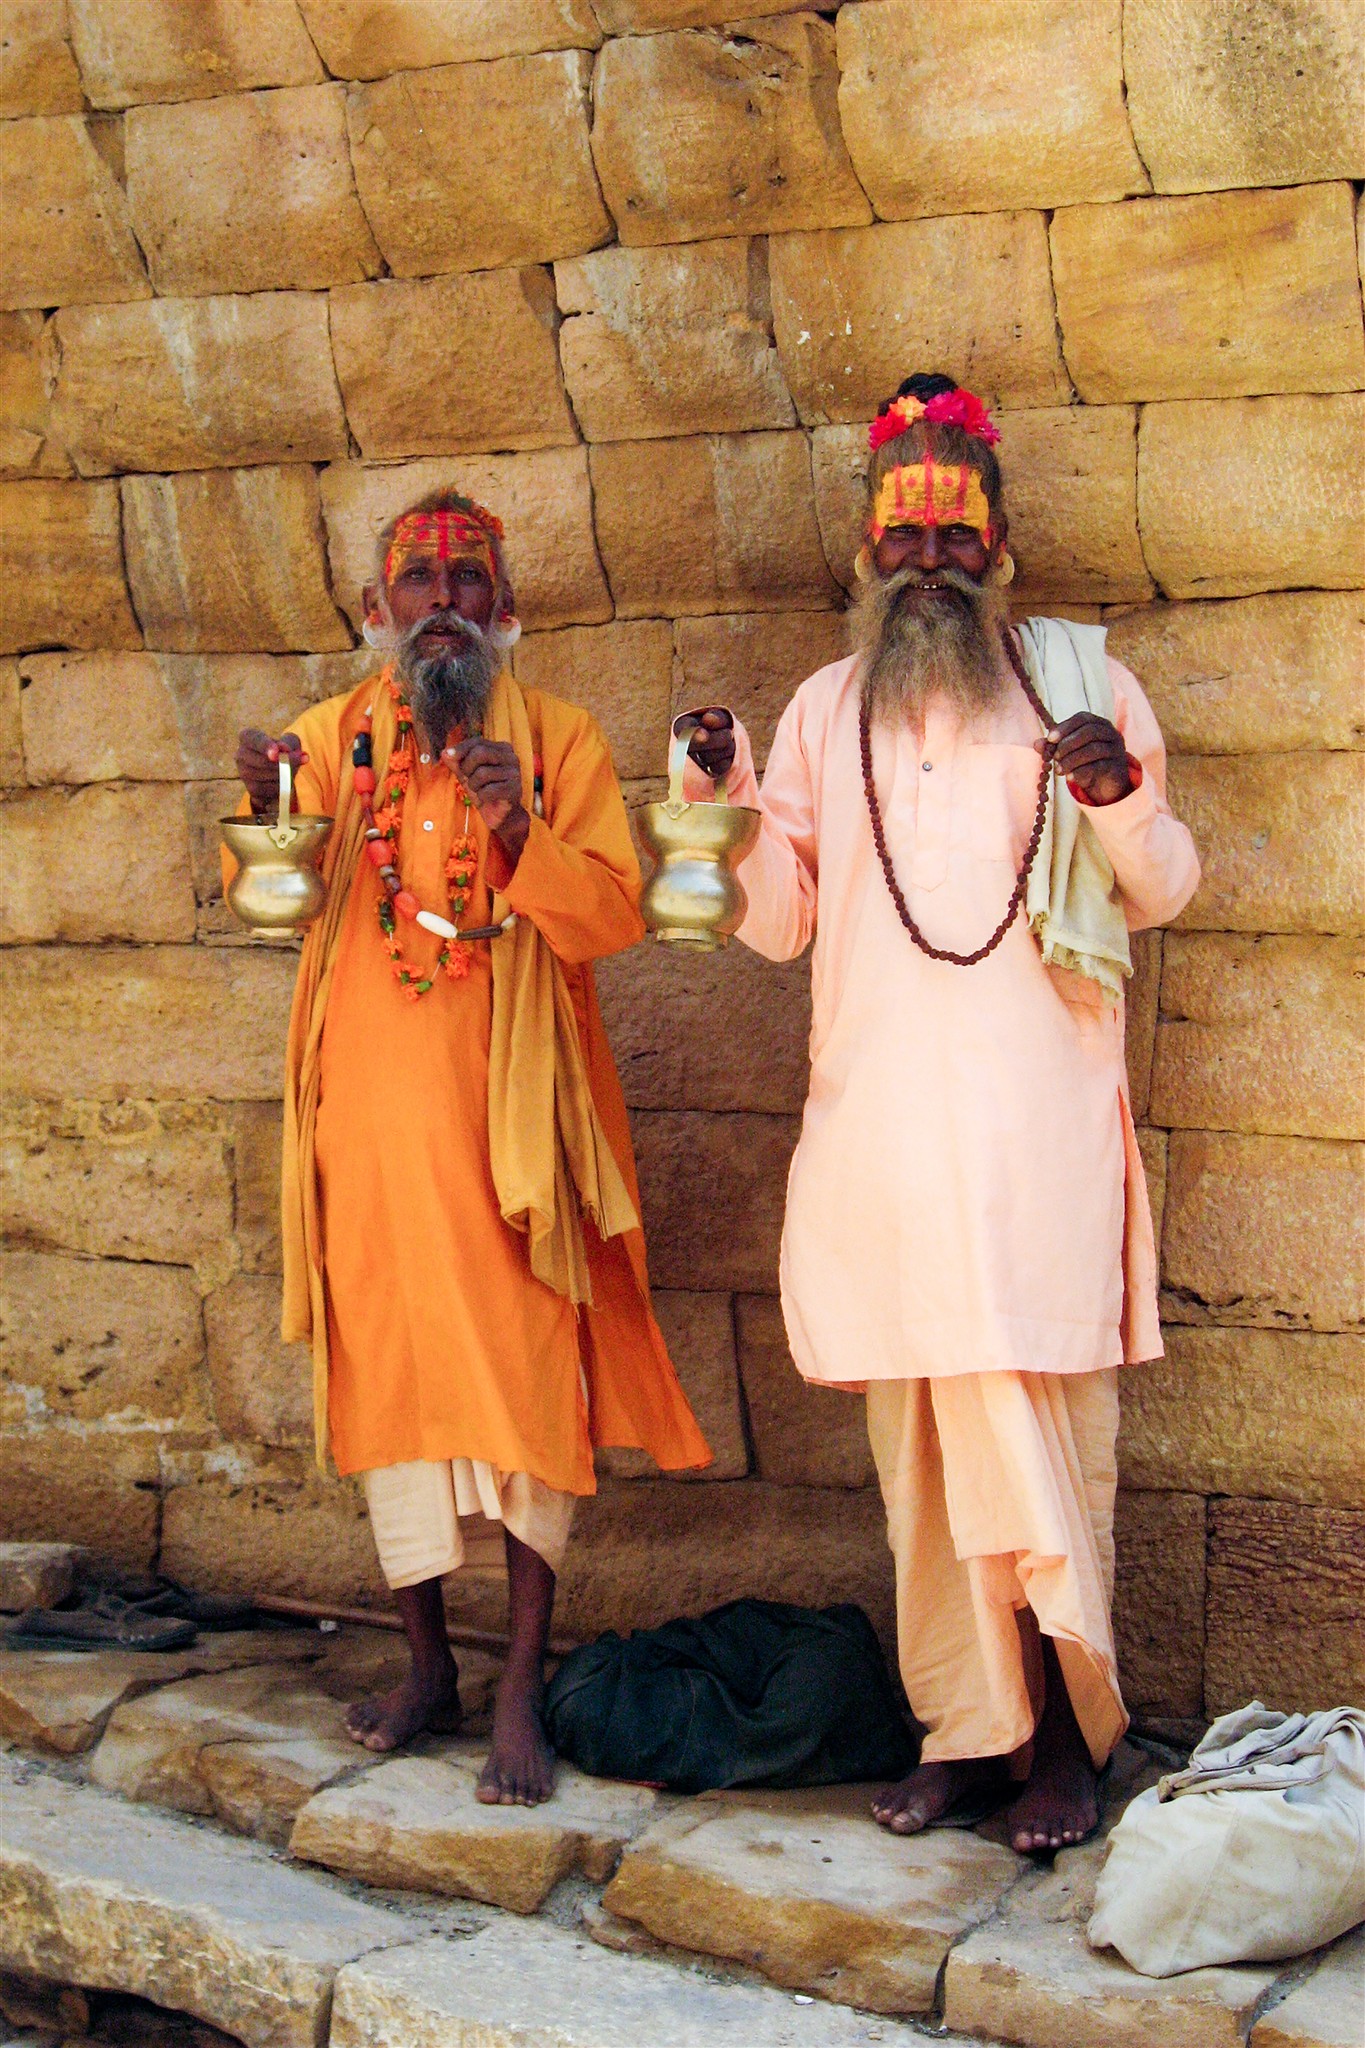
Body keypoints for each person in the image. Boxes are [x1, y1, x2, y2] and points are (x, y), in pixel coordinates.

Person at [684, 374, 1199, 1854]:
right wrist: (721, 797)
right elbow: (776, 925)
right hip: (883, 1153)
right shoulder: (820, 709)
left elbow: (1159, 887)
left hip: (1033, 1156)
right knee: (921, 1473)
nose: (926, 562)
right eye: (900, 538)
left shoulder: (1079, 685)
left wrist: (1109, 799)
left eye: (951, 536)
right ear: (862, 555)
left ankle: (1065, 1750)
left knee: (1036, 1449)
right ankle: (968, 1739)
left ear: (999, 549)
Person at [231, 490, 710, 1803]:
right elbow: (268, 888)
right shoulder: (335, 736)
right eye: (416, 582)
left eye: (467, 580)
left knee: (522, 1388)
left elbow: (611, 918)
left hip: (514, 1135)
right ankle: (428, 1666)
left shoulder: (556, 740)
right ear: (380, 614)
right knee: (392, 1393)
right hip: (371, 1131)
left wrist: (514, 829)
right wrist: (267, 801)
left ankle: (516, 1687)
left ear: (504, 612)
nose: (442, 599)